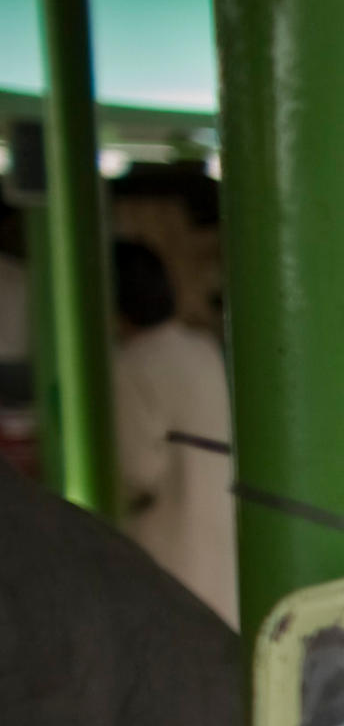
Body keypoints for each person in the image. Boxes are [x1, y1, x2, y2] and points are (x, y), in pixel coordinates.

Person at [110, 237, 236, 620]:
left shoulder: (130, 365)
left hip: (172, 537)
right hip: (221, 526)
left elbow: (139, 469)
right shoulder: (203, 347)